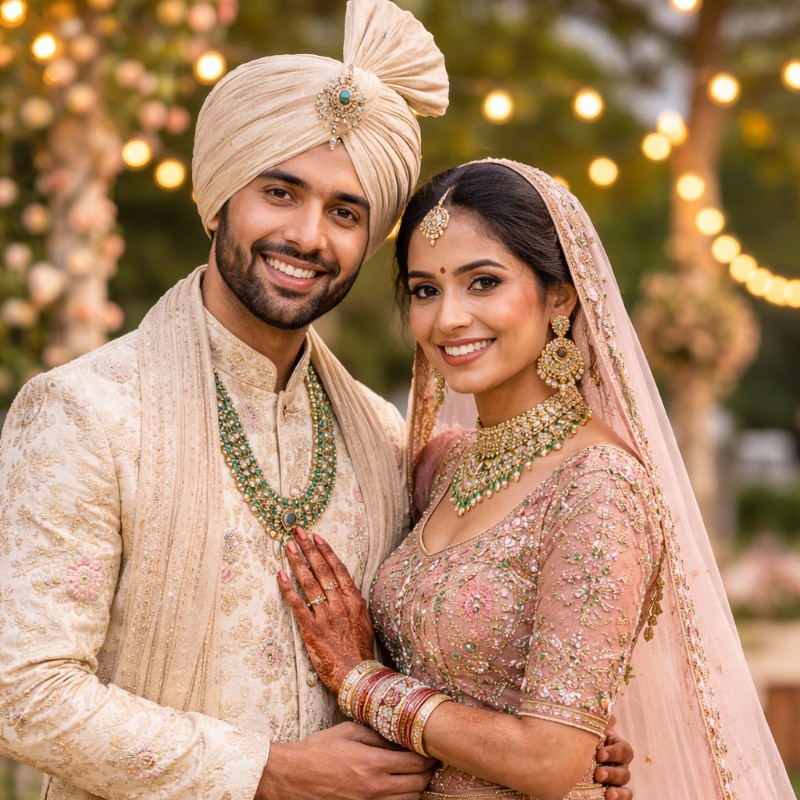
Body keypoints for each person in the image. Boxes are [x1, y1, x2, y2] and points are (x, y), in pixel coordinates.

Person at [0, 3, 634, 799]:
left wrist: (554, 739)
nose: (308, 236)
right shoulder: (85, 412)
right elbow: (24, 692)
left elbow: (433, 639)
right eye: (280, 192)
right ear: (220, 196)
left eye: (345, 213)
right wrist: (267, 772)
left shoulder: (382, 432)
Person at [277, 159, 796, 800]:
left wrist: (361, 680)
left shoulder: (599, 488)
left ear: (560, 294)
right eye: (424, 290)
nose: (448, 319)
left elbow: (549, 761)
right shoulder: (440, 465)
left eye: (483, 282)